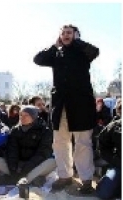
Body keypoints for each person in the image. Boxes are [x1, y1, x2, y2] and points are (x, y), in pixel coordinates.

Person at [34, 24, 99, 194]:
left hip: (80, 105)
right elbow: (38, 59)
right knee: (60, 142)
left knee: (83, 143)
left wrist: (77, 42)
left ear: (76, 35)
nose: (65, 35)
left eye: (69, 32)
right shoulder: (56, 52)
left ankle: (86, 179)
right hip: (60, 105)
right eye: (63, 33)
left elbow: (95, 51)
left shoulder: (83, 51)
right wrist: (55, 46)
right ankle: (65, 175)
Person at [0, 106, 56, 186]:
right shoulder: (15, 130)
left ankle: (20, 179)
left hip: (36, 164)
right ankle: (29, 179)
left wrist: (25, 169)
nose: (22, 117)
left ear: (34, 116)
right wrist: (13, 168)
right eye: (21, 115)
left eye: (26, 115)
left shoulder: (45, 131)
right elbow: (12, 151)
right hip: (18, 164)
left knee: (53, 162)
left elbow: (42, 153)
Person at [96, 118, 121, 199]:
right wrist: (114, 159)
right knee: (104, 193)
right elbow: (102, 144)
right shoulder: (116, 125)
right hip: (119, 165)